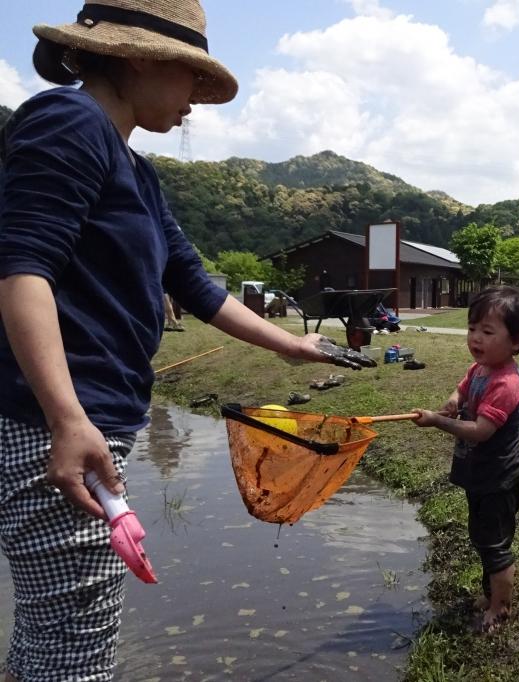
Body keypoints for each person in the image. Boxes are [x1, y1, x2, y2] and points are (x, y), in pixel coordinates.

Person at [0, 2, 334, 679]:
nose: (193, 104)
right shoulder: (71, 123)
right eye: (190, 78)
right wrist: (67, 419)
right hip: (55, 425)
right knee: (74, 653)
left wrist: (292, 347)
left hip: (86, 421)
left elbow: (197, 285)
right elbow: (22, 268)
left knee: (49, 640)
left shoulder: (136, 171)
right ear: (143, 57)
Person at [411, 285, 519, 632]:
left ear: (517, 341)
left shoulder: (506, 383)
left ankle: (500, 607)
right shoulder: (480, 369)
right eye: (472, 329)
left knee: (494, 545)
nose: (475, 338)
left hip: (499, 478)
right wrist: (453, 401)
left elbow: (481, 431)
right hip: (479, 475)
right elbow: (463, 388)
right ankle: (491, 593)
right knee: (482, 537)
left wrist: (438, 421)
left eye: (487, 331)